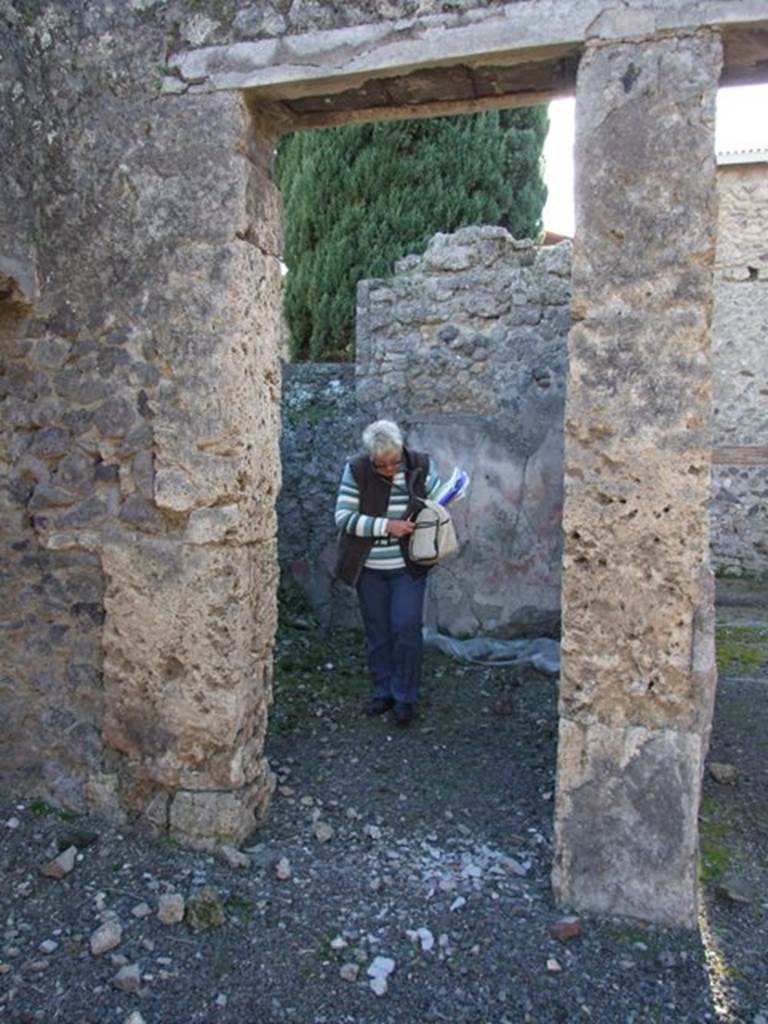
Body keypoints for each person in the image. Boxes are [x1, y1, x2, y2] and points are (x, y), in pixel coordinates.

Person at [334, 420, 442, 725]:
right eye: (381, 466)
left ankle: (405, 697)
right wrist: (386, 527)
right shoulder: (356, 469)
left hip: (409, 565)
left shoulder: (419, 463)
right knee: (378, 631)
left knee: (406, 627)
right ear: (371, 459)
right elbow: (343, 517)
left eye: (395, 462)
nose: (390, 469)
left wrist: (448, 495)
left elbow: (437, 494)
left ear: (401, 450)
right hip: (369, 568)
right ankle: (383, 692)